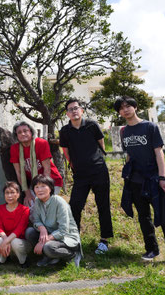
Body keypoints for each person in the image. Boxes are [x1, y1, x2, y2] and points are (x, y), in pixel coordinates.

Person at [115, 96, 165, 266]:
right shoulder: (124, 131)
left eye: (128, 106)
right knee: (144, 217)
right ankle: (152, 249)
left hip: (154, 178)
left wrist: (162, 177)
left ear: (135, 107)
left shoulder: (150, 127)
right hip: (136, 181)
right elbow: (129, 154)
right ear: (119, 112)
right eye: (121, 108)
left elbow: (158, 152)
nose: (125, 109)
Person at [59, 99, 113, 255]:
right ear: (67, 113)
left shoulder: (91, 125)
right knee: (74, 206)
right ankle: (74, 240)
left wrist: (96, 159)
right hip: (80, 174)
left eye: (76, 108)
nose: (74, 111)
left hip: (99, 171)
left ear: (81, 110)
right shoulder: (65, 131)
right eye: (70, 109)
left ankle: (104, 240)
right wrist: (75, 165)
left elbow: (101, 144)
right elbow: (66, 151)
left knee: (103, 205)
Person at [25, 175, 82, 267]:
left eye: (43, 186)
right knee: (29, 232)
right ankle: (49, 257)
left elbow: (63, 230)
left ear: (50, 188)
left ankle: (72, 254)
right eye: (37, 187)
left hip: (66, 237)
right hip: (50, 234)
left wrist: (43, 241)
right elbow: (36, 220)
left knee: (48, 247)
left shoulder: (59, 202)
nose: (40, 190)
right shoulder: (37, 201)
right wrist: (42, 228)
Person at [9, 121, 63, 207]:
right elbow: (19, 173)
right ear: (16, 136)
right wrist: (27, 194)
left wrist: (43, 191)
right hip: (33, 184)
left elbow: (47, 169)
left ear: (31, 132)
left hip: (51, 181)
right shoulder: (14, 149)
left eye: (25, 131)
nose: (23, 134)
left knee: (45, 207)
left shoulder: (41, 143)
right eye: (19, 132)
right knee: (31, 209)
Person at [0, 181, 31, 268]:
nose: (9, 196)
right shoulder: (0, 208)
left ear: (18, 194)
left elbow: (19, 229)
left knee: (15, 242)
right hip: (8, 240)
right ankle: (4, 258)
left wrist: (7, 241)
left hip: (21, 243)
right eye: (7, 193)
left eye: (12, 192)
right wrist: (6, 239)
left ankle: (23, 260)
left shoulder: (25, 210)